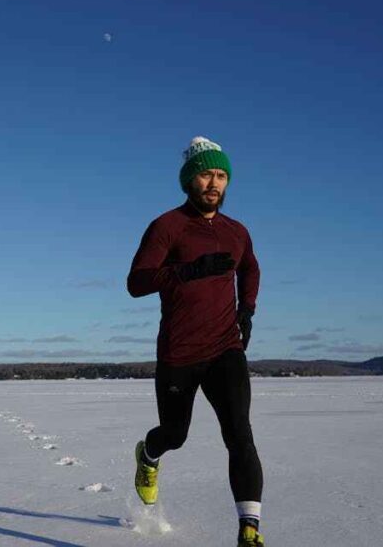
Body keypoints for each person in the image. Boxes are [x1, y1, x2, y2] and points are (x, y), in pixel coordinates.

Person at [126, 136, 265, 547]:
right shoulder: (167, 226)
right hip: (179, 353)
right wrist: (186, 271)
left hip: (226, 348)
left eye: (221, 176)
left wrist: (247, 310)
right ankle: (148, 455)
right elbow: (136, 282)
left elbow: (251, 269)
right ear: (189, 179)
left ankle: (249, 530)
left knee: (239, 433)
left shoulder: (237, 231)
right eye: (206, 174)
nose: (214, 183)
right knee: (175, 433)